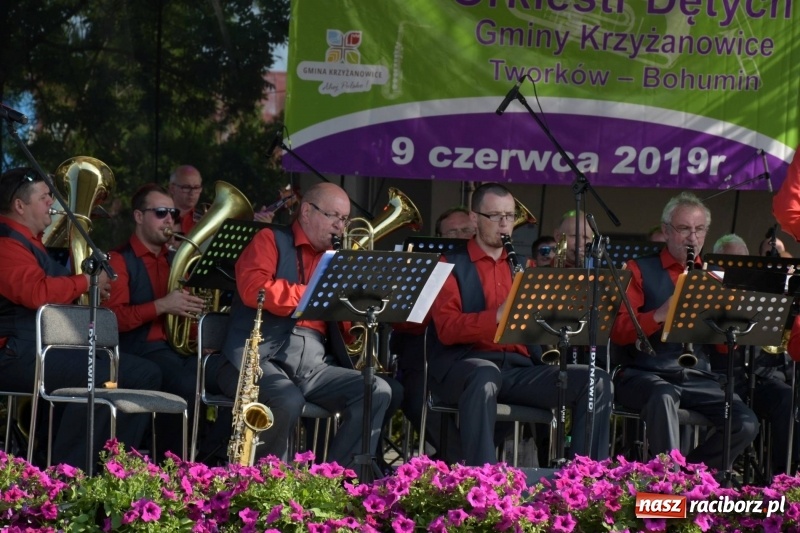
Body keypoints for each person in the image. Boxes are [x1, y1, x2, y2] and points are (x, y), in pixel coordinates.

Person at [428, 183, 612, 465]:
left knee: (595, 380)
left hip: (518, 370)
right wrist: (497, 316)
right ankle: (482, 479)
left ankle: (585, 478)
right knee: (485, 375)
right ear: (475, 218)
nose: (505, 224)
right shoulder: (448, 265)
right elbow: (448, 329)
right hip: (467, 367)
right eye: (495, 216)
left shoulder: (525, 269)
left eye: (510, 216)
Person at [217, 182, 392, 468]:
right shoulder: (269, 239)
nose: (340, 226)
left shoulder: (337, 260)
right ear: (307, 211)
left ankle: (336, 480)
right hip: (259, 356)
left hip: (314, 363)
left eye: (344, 219)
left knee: (377, 390)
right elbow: (254, 289)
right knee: (286, 400)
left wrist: (355, 311)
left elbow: (344, 330)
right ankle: (261, 484)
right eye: (333, 216)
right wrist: (315, 294)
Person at [0, 168, 161, 467]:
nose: (52, 202)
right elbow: (36, 293)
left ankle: (114, 468)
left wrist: (91, 291)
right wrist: (86, 282)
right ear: (19, 206)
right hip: (14, 355)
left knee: (145, 374)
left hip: (43, 351)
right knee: (100, 375)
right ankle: (68, 475)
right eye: (44, 197)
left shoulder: (34, 244)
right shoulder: (6, 243)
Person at [609, 191, 759, 472]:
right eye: (684, 229)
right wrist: (661, 314)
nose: (693, 238)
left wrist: (730, 329)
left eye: (699, 229)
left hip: (697, 376)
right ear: (666, 231)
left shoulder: (716, 277)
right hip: (644, 373)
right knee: (663, 395)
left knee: (746, 422)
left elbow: (726, 351)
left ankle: (689, 475)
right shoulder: (638, 269)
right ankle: (669, 484)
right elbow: (618, 332)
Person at [105, 183, 223, 461]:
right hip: (138, 351)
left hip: (177, 351)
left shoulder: (176, 261)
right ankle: (173, 465)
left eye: (172, 213)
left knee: (232, 376)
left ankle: (211, 458)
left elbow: (189, 316)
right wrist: (161, 306)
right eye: (160, 212)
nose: (170, 219)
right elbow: (112, 321)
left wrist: (201, 337)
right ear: (138, 216)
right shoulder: (119, 260)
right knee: (187, 383)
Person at [707, 233, 795, 476]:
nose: (739, 268)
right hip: (721, 378)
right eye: (731, 262)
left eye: (743, 261)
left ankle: (784, 476)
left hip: (752, 377)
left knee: (786, 398)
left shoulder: (758, 293)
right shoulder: (710, 290)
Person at [168, 165, 203, 235]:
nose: (192, 193)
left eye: (196, 187)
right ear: (172, 188)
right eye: (186, 187)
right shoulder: (160, 216)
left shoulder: (204, 219)